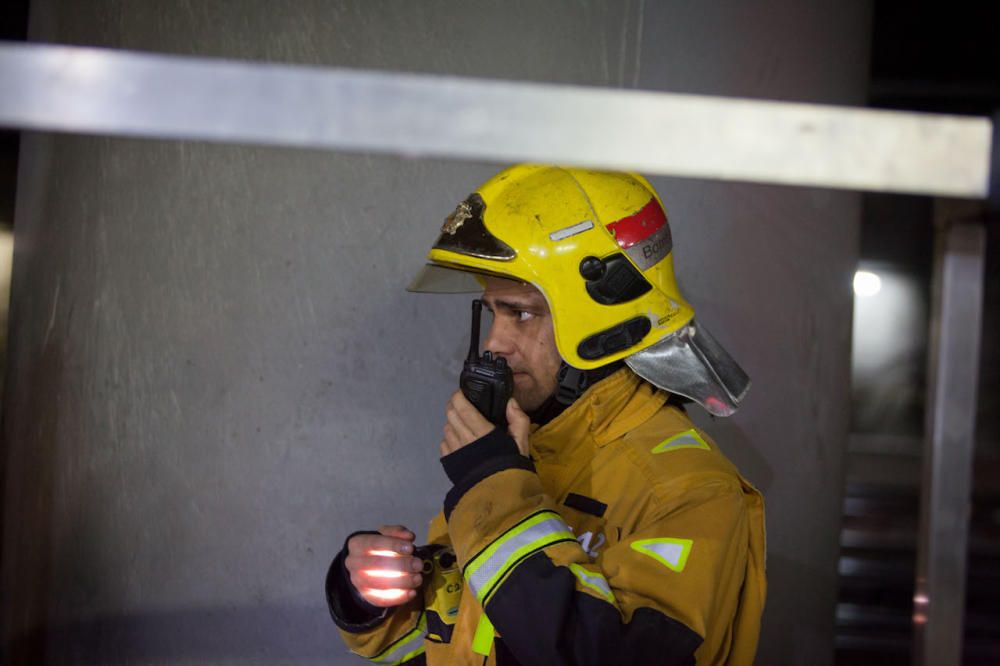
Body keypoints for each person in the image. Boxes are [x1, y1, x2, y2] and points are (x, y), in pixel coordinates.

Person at [326, 165, 766, 665]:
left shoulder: (688, 491)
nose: (494, 344)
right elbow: (462, 637)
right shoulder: (529, 451)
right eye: (493, 312)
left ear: (603, 322)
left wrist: (491, 487)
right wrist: (371, 598)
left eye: (521, 313)